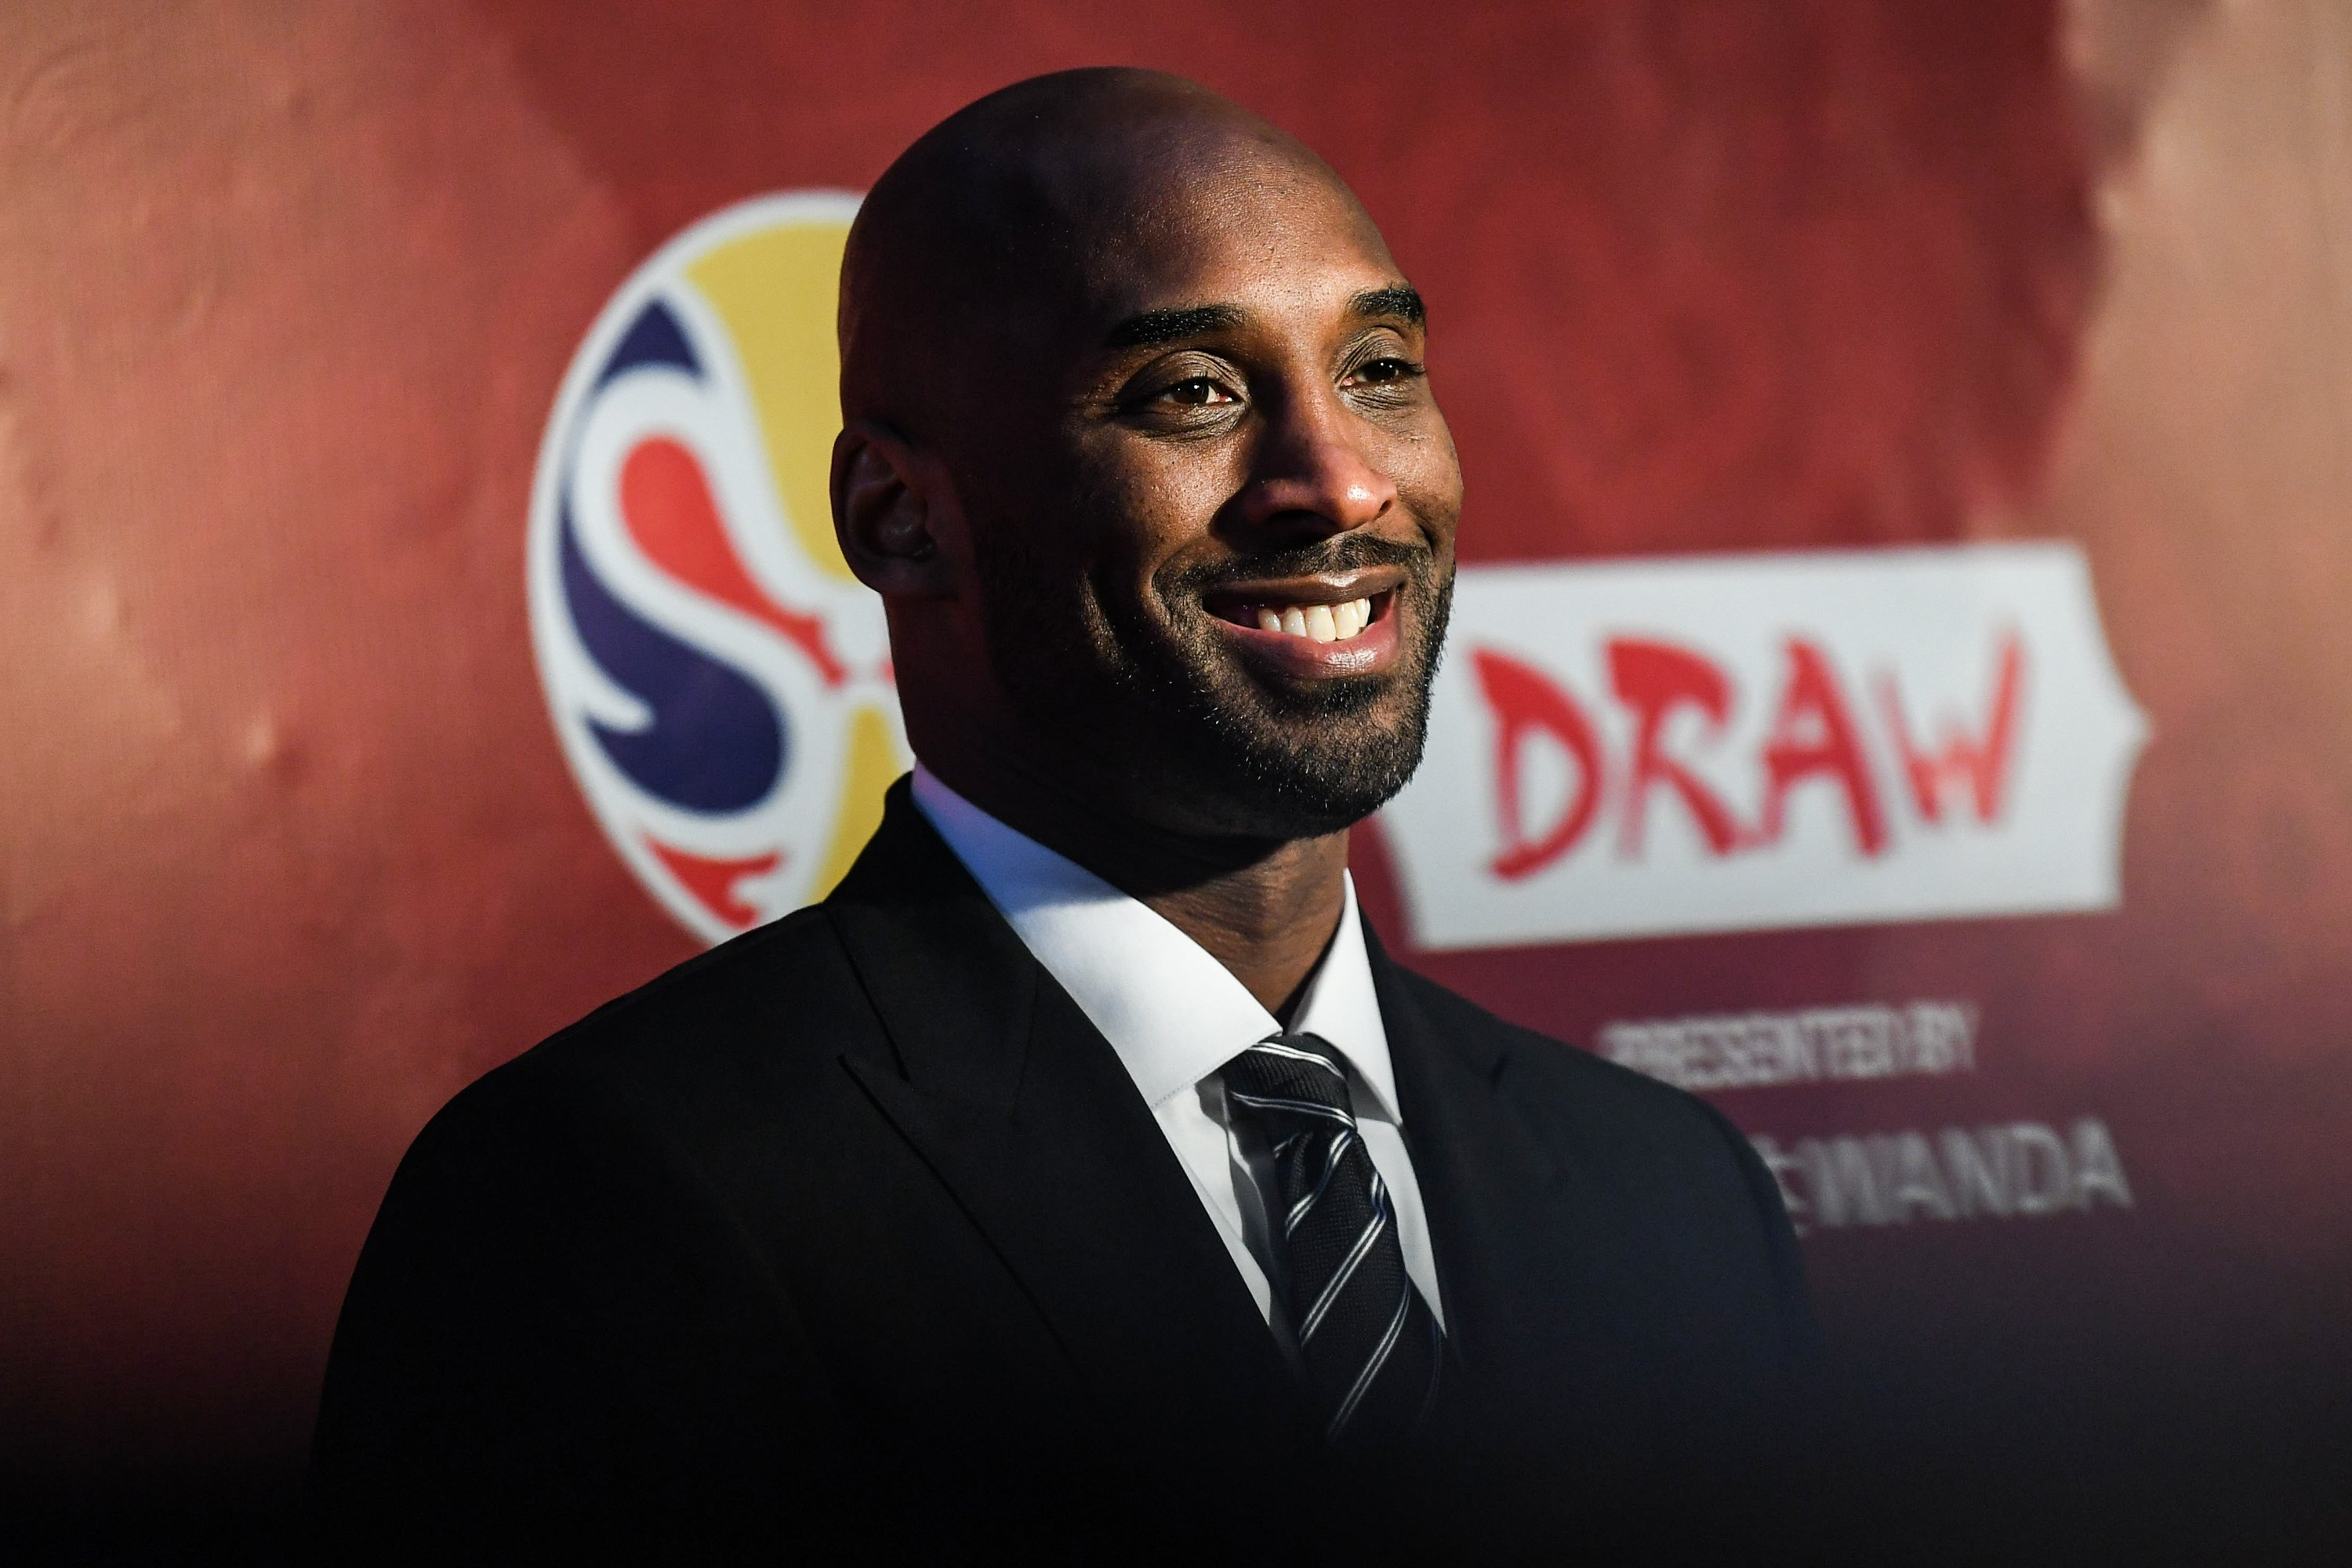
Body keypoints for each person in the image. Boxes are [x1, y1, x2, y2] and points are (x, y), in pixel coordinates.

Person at [310, 67, 1816, 1561]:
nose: (1339, 480)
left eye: (1377, 368)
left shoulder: (1673, 1198)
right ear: (900, 517)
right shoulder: (601, 1209)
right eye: (1195, 392)